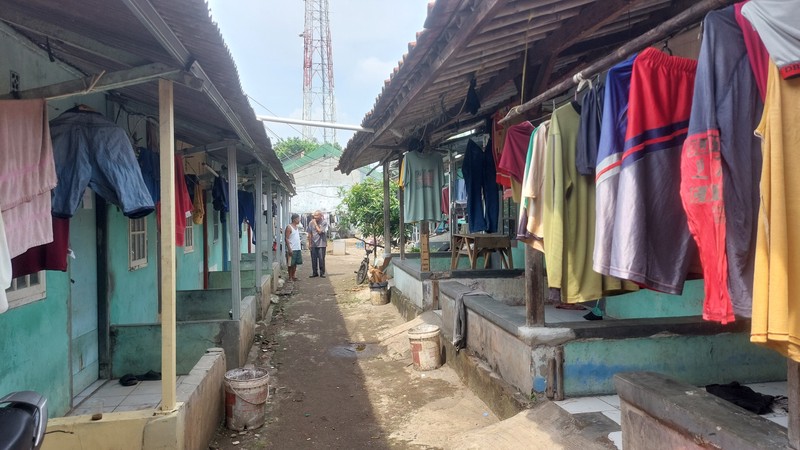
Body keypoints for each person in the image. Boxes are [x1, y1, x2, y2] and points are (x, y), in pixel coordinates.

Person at [307, 210, 328, 278]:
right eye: (314, 216)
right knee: (314, 259)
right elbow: (309, 233)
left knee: (321, 259)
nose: (315, 217)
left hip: (321, 244)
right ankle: (314, 272)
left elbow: (320, 232)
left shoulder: (324, 222)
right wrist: (309, 243)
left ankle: (322, 273)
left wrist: (315, 224)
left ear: (321, 216)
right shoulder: (311, 223)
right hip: (313, 244)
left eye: (317, 216)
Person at [285, 213, 302, 281]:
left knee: (295, 263)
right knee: (290, 264)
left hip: (297, 248)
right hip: (292, 248)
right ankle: (290, 276)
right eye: (298, 219)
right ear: (294, 219)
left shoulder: (296, 227)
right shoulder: (289, 227)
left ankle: (293, 275)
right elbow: (286, 238)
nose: (299, 220)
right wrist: (289, 249)